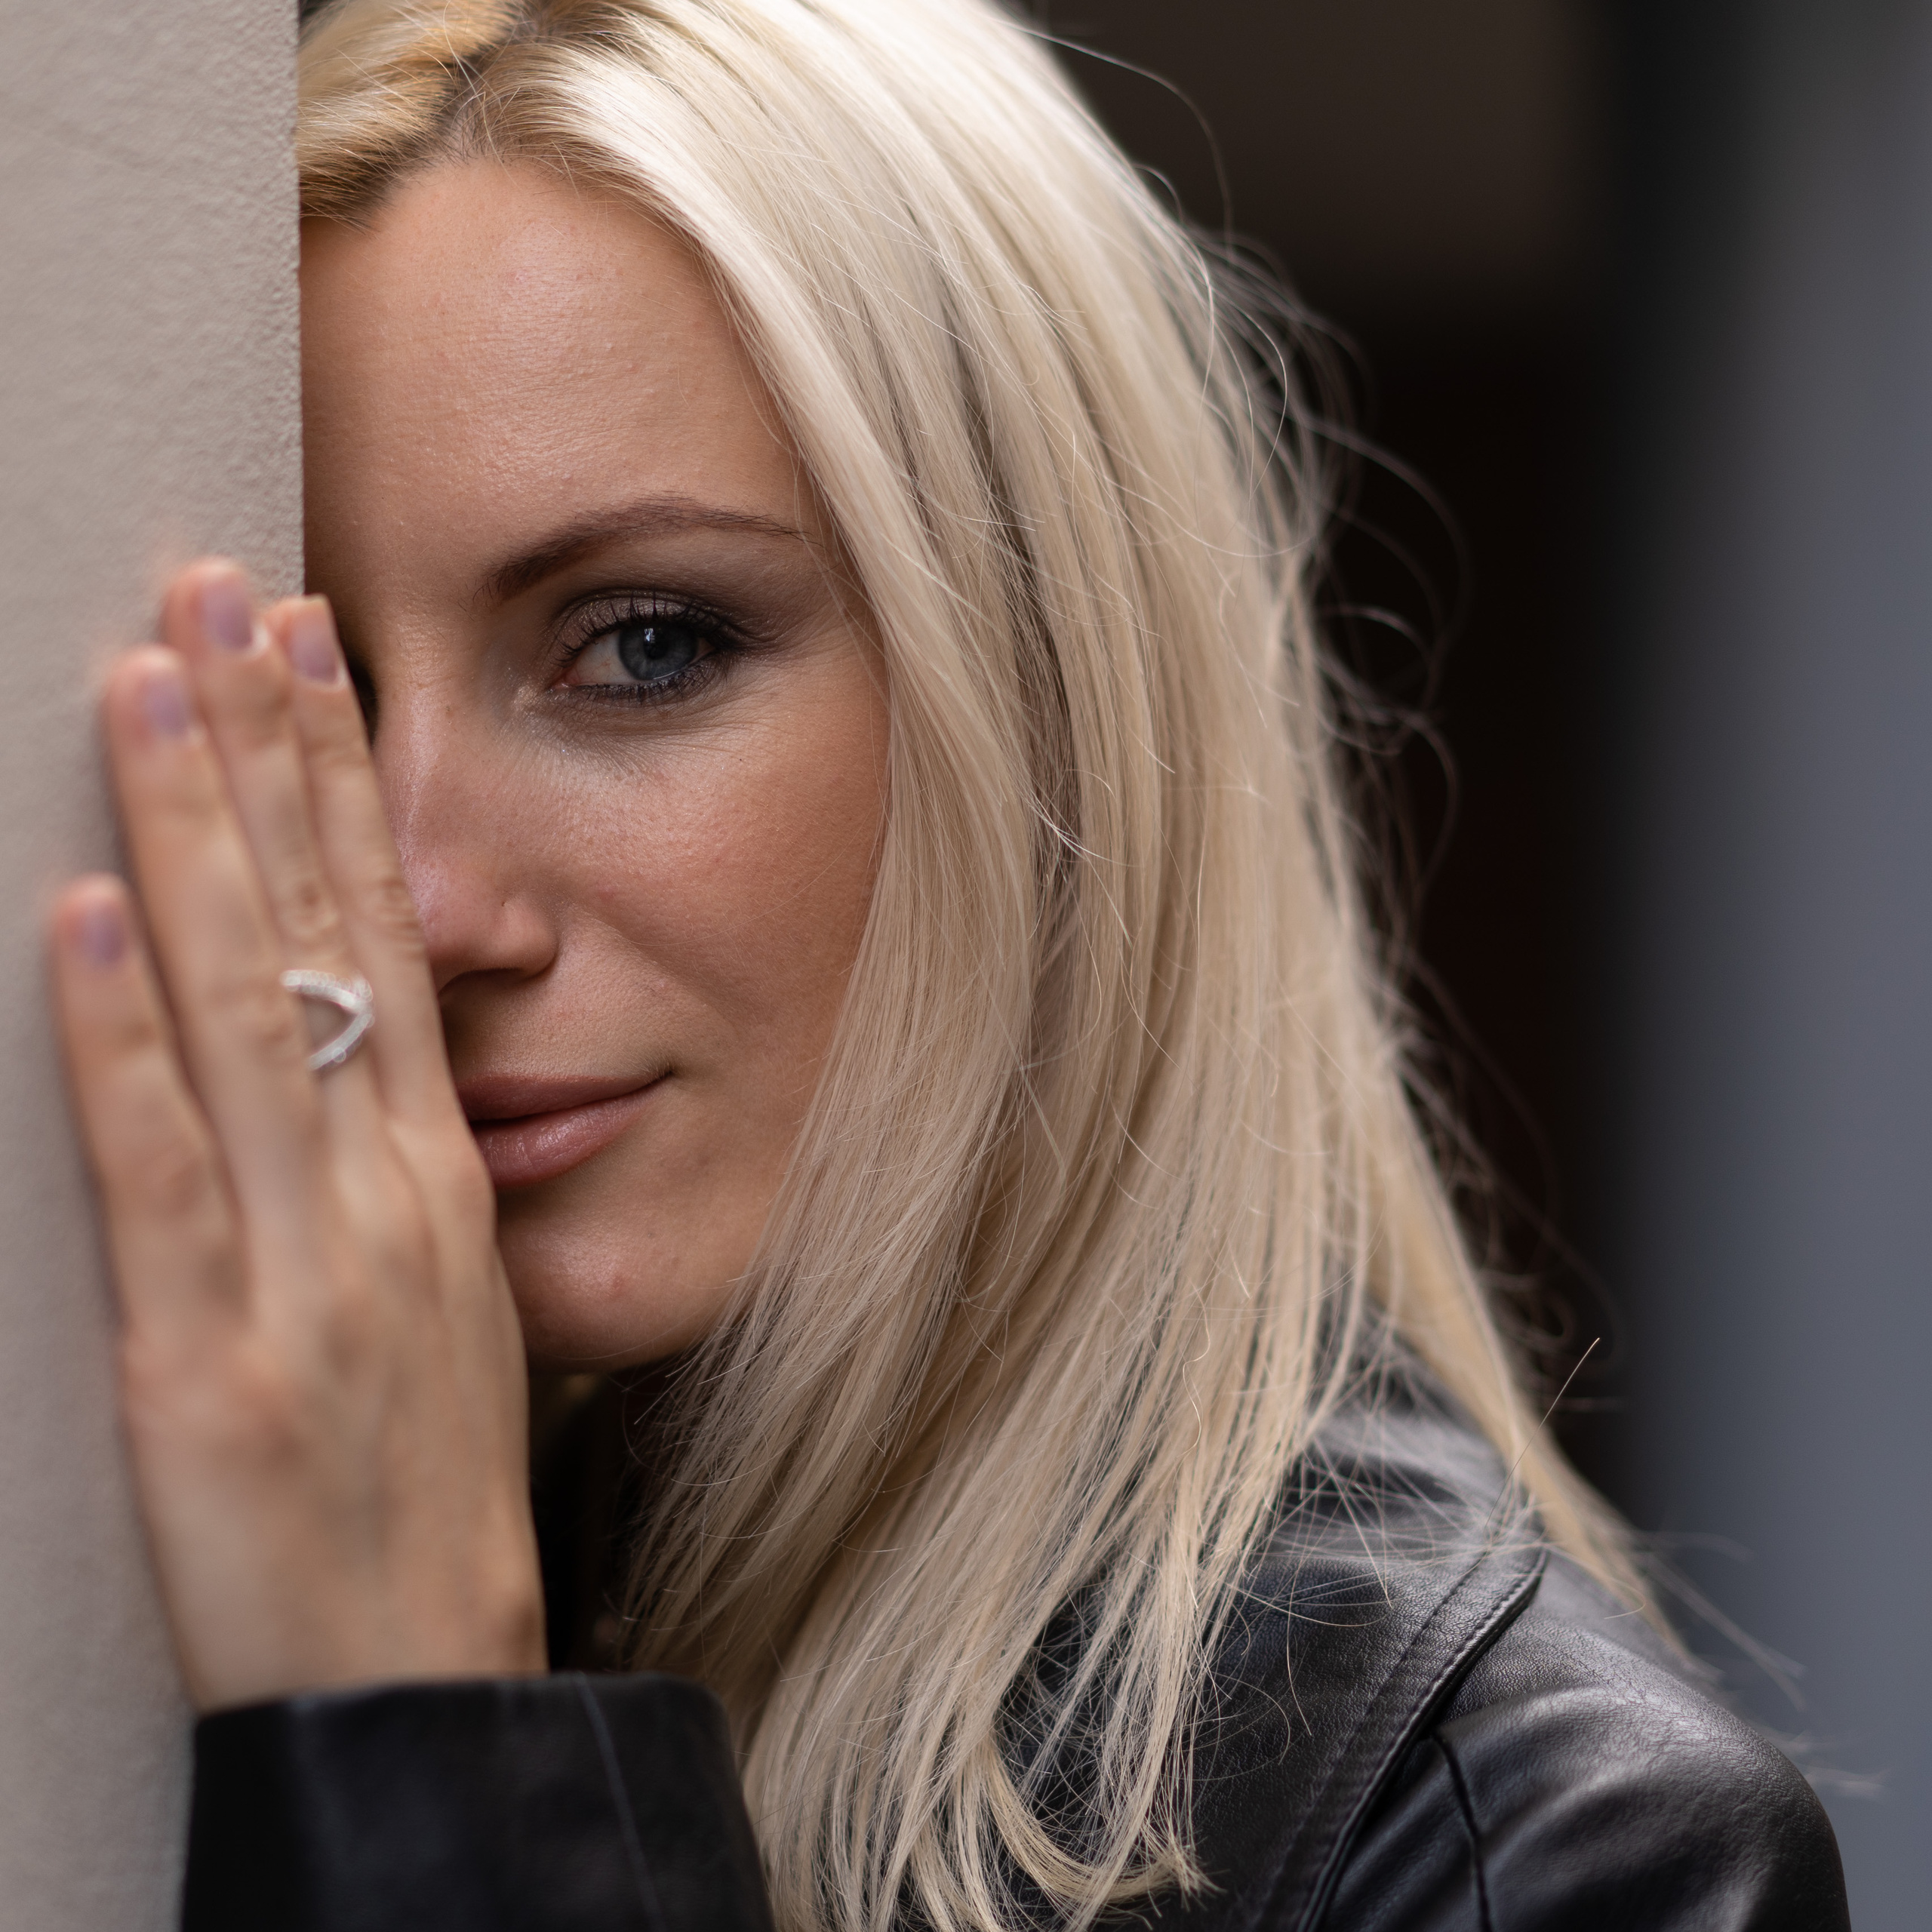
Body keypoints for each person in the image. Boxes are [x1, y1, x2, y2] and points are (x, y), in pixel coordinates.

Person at [46, 1, 1849, 1927]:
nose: (416, 903)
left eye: (645, 643)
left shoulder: (1525, 1848)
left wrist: (429, 1753)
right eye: (331, 695)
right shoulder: (320, 1570)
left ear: (1050, 701)